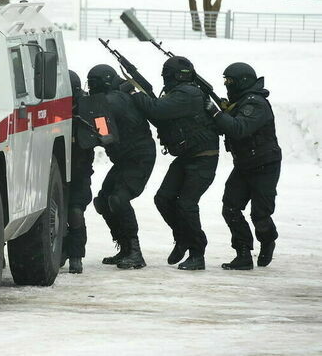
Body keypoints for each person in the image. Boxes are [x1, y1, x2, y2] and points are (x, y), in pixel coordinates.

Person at [130, 56, 219, 271]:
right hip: (188, 156)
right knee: (163, 198)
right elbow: (160, 115)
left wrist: (133, 94)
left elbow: (156, 110)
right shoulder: (182, 93)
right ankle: (183, 238)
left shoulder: (187, 94)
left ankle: (198, 253)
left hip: (203, 158)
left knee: (187, 204)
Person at [205, 62, 282, 270]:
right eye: (225, 81)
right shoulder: (239, 102)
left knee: (260, 214)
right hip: (244, 165)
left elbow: (239, 129)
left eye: (230, 81)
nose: (227, 85)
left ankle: (267, 240)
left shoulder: (255, 103)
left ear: (242, 81)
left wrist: (217, 114)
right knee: (230, 208)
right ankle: (243, 253)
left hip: (265, 165)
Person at [87, 64, 156, 270]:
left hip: (139, 157)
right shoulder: (113, 97)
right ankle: (125, 247)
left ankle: (135, 252)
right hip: (125, 159)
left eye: (93, 84)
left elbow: (102, 121)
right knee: (103, 200)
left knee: (118, 199)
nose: (91, 88)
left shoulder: (116, 99)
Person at [62, 70, 96, 274]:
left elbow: (105, 133)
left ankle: (76, 256)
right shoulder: (51, 108)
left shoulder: (89, 108)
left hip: (79, 171)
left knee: (75, 213)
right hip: (53, 173)